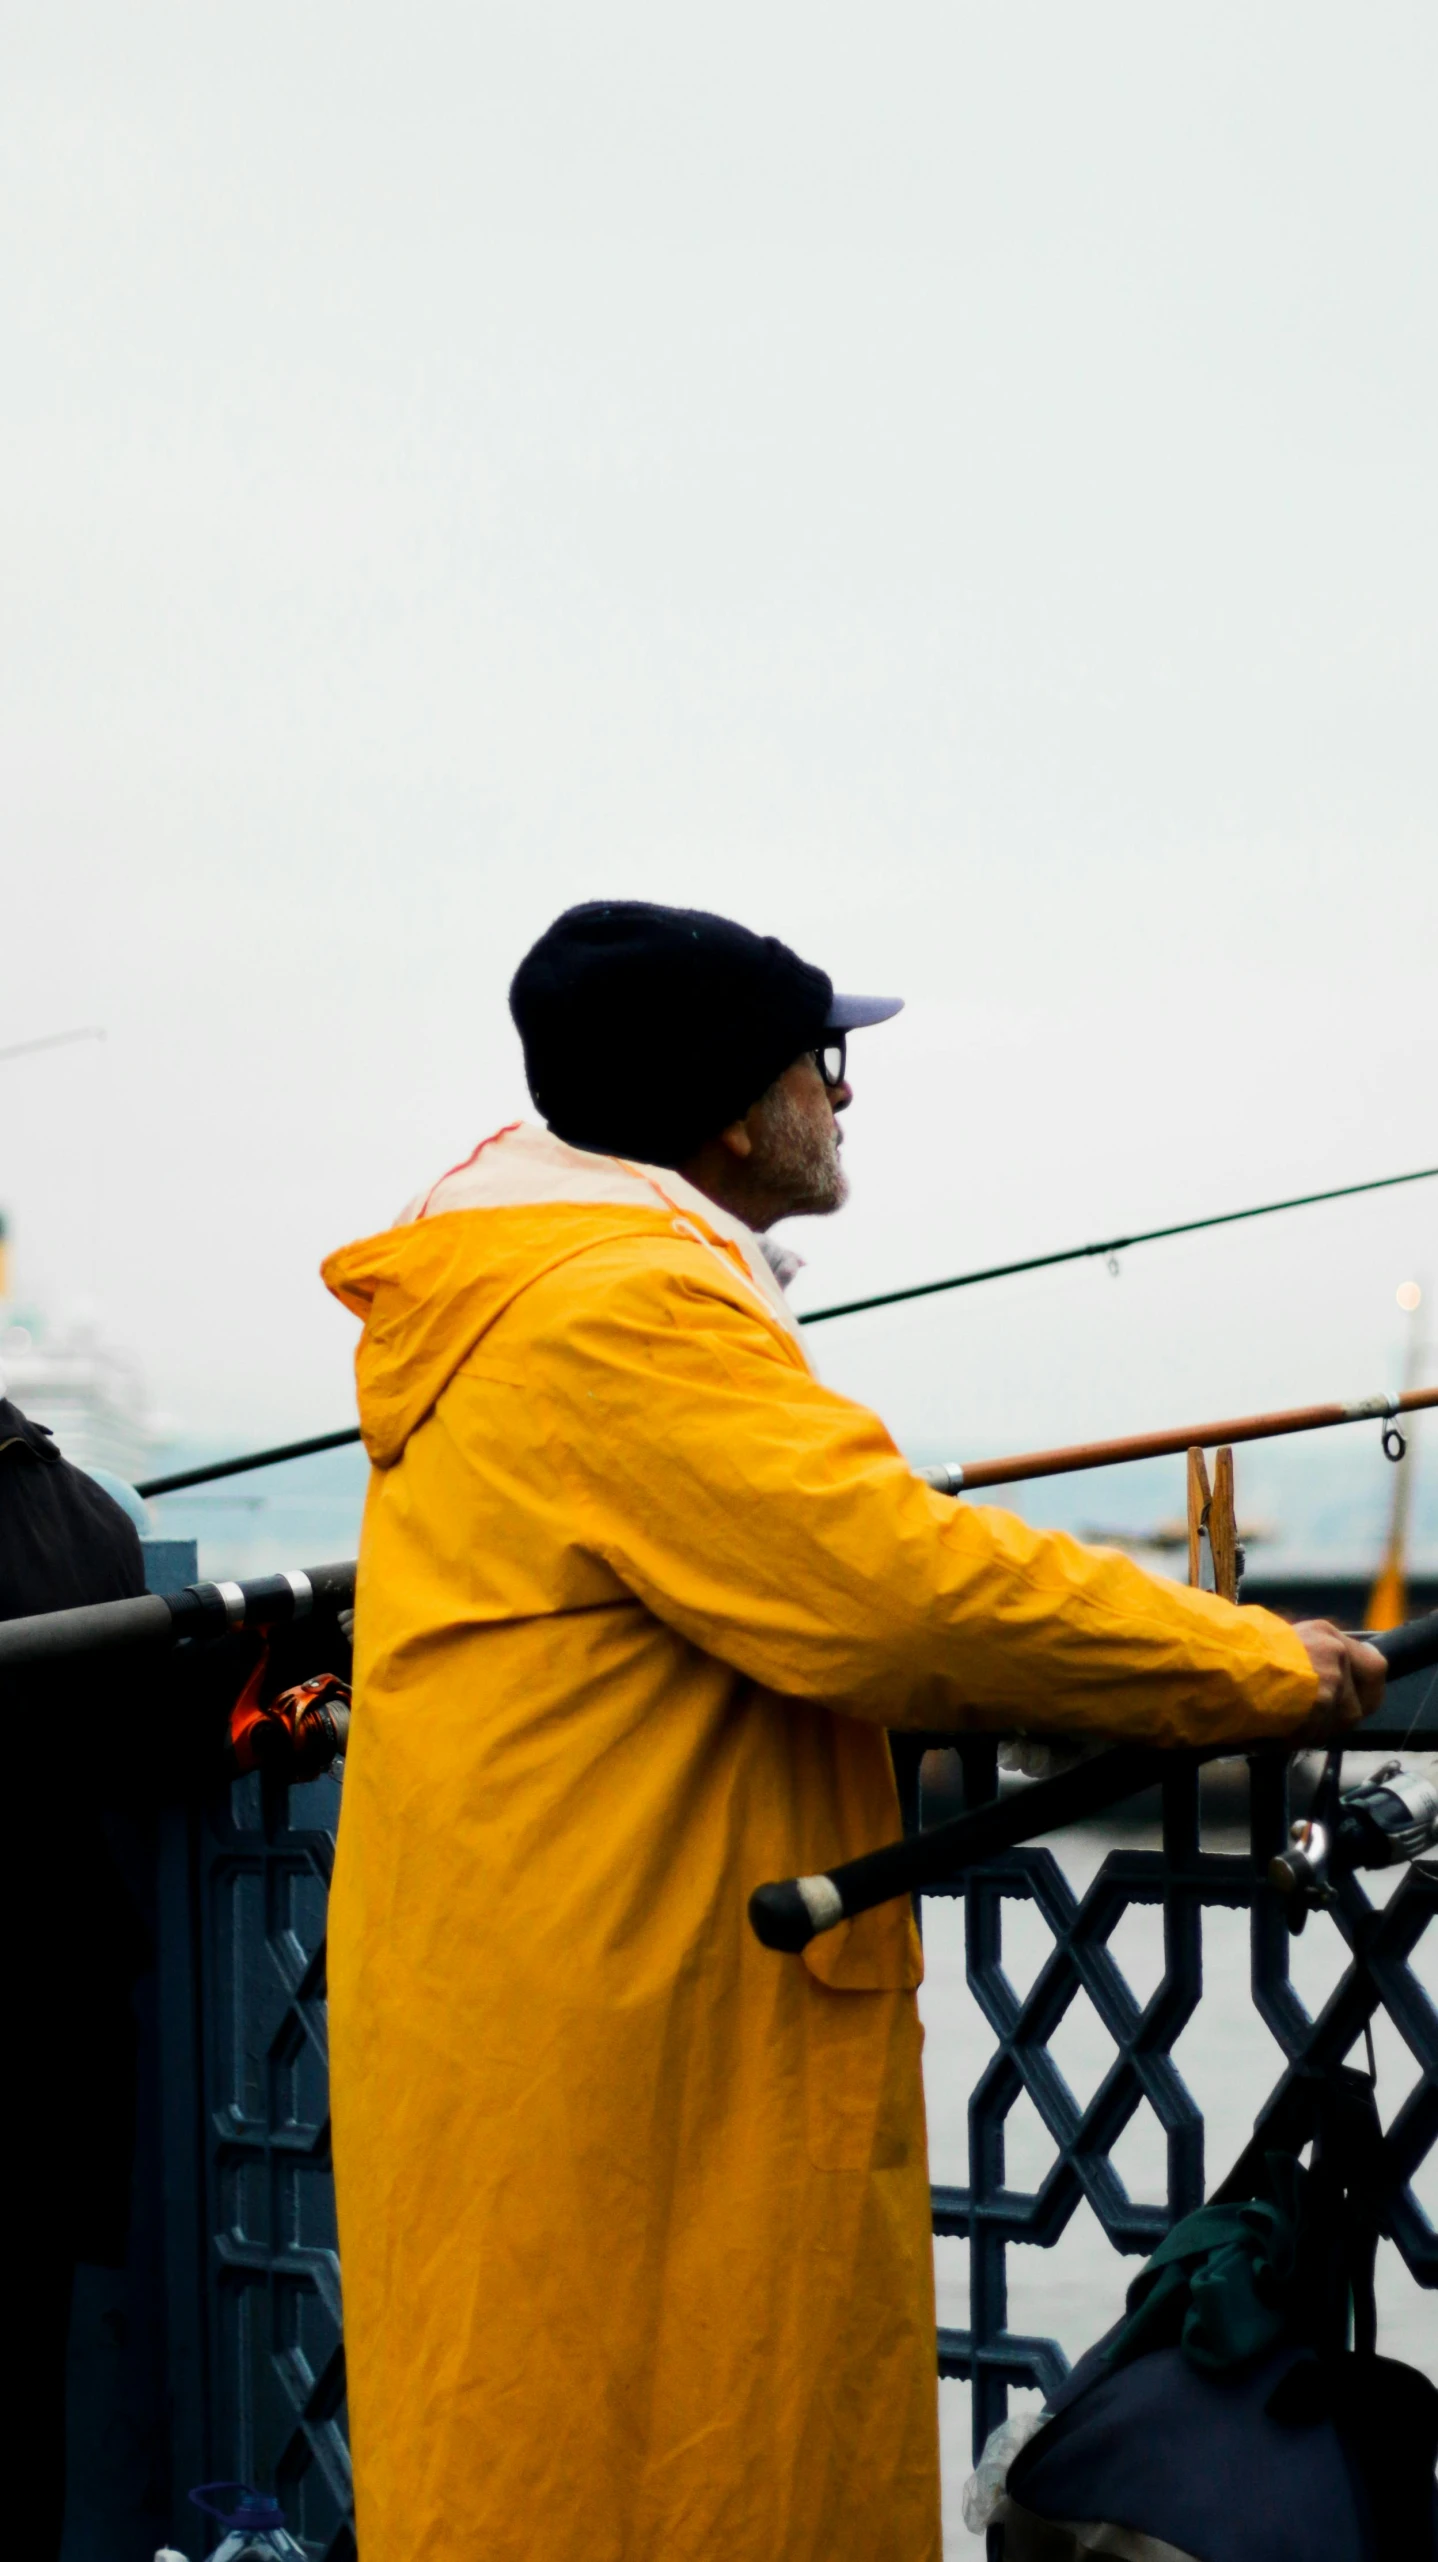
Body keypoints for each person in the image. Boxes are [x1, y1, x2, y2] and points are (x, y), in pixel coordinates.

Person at [320, 900, 1383, 2562]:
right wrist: (1242, 1661)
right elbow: (894, 1586)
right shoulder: (622, 1313)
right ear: (734, 1109)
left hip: (546, 1980)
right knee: (668, 2478)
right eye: (823, 1064)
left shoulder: (522, 1291)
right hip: (634, 2020)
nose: (844, 1098)